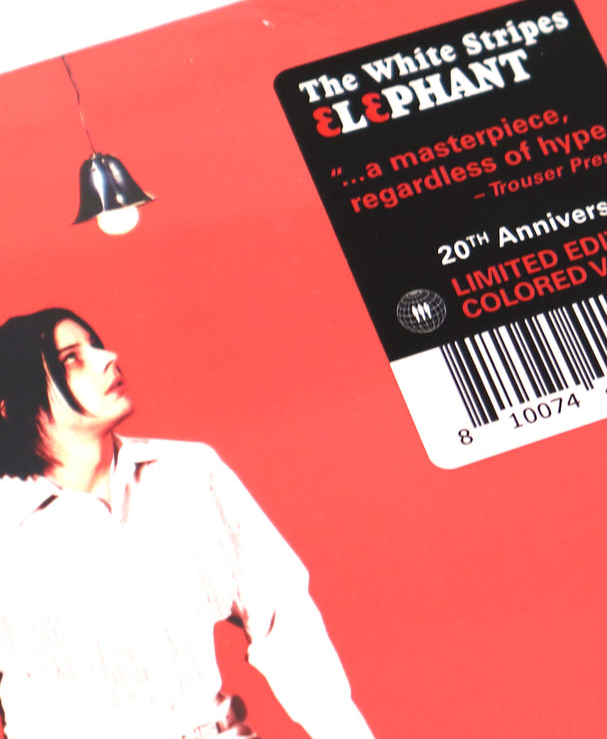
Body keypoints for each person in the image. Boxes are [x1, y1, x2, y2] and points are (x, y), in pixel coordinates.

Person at [0, 308, 376, 739]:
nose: (108, 357)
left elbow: (284, 624)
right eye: (71, 358)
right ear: (14, 405)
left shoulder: (189, 473)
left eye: (96, 345)